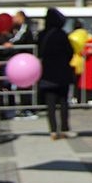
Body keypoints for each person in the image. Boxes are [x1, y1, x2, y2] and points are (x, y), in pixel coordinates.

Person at [38, 8, 74, 140]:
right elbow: (70, 52)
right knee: (64, 102)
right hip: (62, 72)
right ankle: (64, 128)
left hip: (47, 72)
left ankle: (53, 130)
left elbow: (38, 53)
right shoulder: (62, 34)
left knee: (50, 104)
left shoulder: (42, 35)